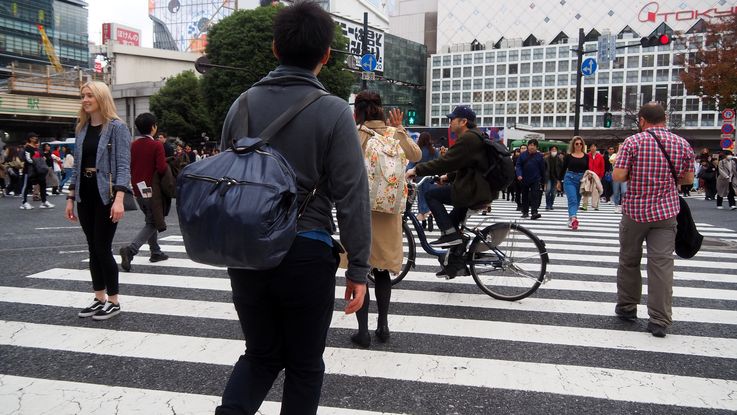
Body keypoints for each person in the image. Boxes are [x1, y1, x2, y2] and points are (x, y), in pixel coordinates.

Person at [214, 3, 370, 413]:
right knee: (303, 365)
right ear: (326, 55)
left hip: (247, 253)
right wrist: (358, 269)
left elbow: (225, 180)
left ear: (274, 48)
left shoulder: (240, 105)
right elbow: (352, 195)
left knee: (261, 355)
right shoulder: (335, 111)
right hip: (306, 249)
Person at [613, 102, 694, 338]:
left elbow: (618, 175)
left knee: (629, 260)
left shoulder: (633, 142)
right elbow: (688, 179)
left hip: (635, 212)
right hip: (666, 213)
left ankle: (627, 307)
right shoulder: (682, 144)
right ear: (665, 119)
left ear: (641, 120)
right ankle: (659, 320)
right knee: (661, 265)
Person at [350, 91, 421, 349]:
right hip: (390, 213)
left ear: (357, 110)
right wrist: (400, 128)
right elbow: (416, 156)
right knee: (382, 272)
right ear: (381, 109)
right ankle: (383, 325)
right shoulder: (393, 133)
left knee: (360, 269)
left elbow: (342, 166)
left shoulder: (357, 134)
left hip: (361, 211)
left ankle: (362, 332)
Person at [64, 80, 132, 321]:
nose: (84, 100)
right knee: (92, 248)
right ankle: (99, 297)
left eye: (89, 95)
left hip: (107, 194)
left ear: (101, 98)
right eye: (83, 95)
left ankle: (113, 300)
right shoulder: (82, 128)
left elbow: (123, 166)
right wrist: (71, 197)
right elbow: (77, 168)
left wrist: (120, 199)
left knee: (102, 247)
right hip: (85, 193)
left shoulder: (117, 128)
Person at [405, 105, 492, 278]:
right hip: (478, 188)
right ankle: (456, 265)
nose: (450, 122)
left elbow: (445, 162)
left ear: (463, 121)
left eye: (452, 119)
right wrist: (447, 178)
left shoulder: (468, 138)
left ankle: (452, 237)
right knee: (451, 224)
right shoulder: (477, 136)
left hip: (471, 190)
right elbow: (465, 164)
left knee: (431, 195)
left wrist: (416, 170)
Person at [119, 113, 170, 272]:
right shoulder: (156, 145)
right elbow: (161, 168)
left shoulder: (132, 145)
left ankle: (155, 252)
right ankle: (131, 250)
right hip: (152, 189)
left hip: (138, 189)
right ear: (153, 127)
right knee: (153, 222)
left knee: (151, 219)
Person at [408, 132, 439, 228]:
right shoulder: (434, 151)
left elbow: (411, 165)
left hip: (420, 178)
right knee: (431, 197)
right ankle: (430, 214)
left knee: (421, 198)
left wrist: (408, 174)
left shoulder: (418, 151)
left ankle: (423, 219)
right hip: (431, 178)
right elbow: (439, 163)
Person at [19, 133, 53, 210]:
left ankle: (44, 202)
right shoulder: (28, 148)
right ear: (30, 138)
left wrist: (41, 162)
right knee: (26, 186)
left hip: (39, 170)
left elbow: (42, 157)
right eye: (34, 138)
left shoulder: (38, 148)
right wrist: (37, 163)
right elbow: (28, 159)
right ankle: (24, 202)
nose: (36, 139)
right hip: (29, 170)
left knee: (43, 185)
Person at [561, 136, 588, 230]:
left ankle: (571, 217)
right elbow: (563, 169)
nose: (579, 145)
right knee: (572, 199)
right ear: (573, 145)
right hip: (569, 178)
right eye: (577, 144)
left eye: (581, 144)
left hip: (581, 180)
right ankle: (574, 218)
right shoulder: (568, 156)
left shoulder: (586, 156)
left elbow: (588, 169)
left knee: (577, 200)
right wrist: (559, 181)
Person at [515, 138, 545, 219]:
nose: (532, 147)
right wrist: (519, 174)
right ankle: (525, 212)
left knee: (535, 195)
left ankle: (534, 212)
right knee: (525, 195)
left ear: (537, 147)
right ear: (528, 146)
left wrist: (543, 180)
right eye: (530, 145)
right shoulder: (523, 155)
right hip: (524, 178)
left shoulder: (540, 156)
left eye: (534, 145)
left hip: (535, 179)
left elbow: (542, 168)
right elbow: (518, 166)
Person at [581, 142, 604, 211]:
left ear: (596, 148)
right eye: (591, 146)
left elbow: (602, 167)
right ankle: (584, 205)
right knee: (586, 190)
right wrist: (587, 174)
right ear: (589, 148)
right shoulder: (587, 156)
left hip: (597, 176)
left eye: (594, 146)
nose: (593, 148)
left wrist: (600, 176)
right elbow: (584, 166)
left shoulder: (600, 156)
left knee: (596, 191)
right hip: (588, 175)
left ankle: (596, 205)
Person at [543, 145, 563, 211]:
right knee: (547, 191)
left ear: (557, 151)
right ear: (550, 151)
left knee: (554, 192)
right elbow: (543, 168)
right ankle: (547, 204)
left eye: (555, 150)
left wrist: (560, 178)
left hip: (556, 178)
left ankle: (551, 204)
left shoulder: (559, 159)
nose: (554, 151)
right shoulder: (546, 158)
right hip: (548, 177)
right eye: (552, 149)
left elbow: (562, 168)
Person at [609, 143, 627, 214]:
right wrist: (619, 153)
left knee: (624, 191)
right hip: (616, 175)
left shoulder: (626, 155)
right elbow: (613, 162)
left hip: (624, 176)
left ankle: (623, 206)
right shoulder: (614, 155)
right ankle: (616, 205)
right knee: (616, 192)